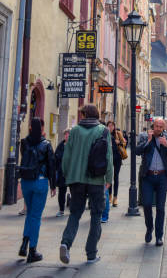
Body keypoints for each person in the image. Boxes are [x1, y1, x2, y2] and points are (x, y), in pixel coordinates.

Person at [59, 104, 113, 265]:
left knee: (75, 213)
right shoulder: (103, 130)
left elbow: (66, 156)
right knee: (96, 215)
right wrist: (109, 179)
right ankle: (91, 254)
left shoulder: (74, 131)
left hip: (76, 179)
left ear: (84, 115)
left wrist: (68, 175)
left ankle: (65, 243)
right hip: (96, 179)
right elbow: (108, 157)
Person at [18, 117, 56, 263]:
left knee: (29, 214)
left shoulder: (24, 142)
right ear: (41, 128)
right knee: (35, 216)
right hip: (40, 182)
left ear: (30, 128)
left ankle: (24, 244)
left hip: (26, 182)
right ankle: (32, 251)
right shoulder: (46, 144)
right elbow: (51, 165)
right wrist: (53, 185)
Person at [136, 118, 167, 246]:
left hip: (162, 177)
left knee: (160, 208)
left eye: (161, 126)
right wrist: (148, 142)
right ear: (153, 126)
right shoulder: (145, 136)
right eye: (156, 126)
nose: (158, 128)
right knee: (147, 205)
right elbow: (137, 151)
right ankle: (149, 228)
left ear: (164, 128)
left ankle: (159, 236)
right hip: (148, 177)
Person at [107, 121, 126, 206]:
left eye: (112, 126)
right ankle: (109, 196)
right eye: (109, 126)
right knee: (109, 177)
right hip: (109, 158)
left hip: (117, 157)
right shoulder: (105, 134)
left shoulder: (118, 133)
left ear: (114, 127)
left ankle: (115, 198)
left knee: (116, 177)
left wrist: (120, 143)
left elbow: (125, 143)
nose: (110, 127)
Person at [55, 129, 70, 217]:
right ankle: (61, 210)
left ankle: (74, 209)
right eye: (66, 135)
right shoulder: (60, 146)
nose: (67, 136)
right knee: (61, 191)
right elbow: (56, 157)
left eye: (68, 135)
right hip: (62, 172)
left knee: (74, 191)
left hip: (72, 172)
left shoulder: (74, 145)